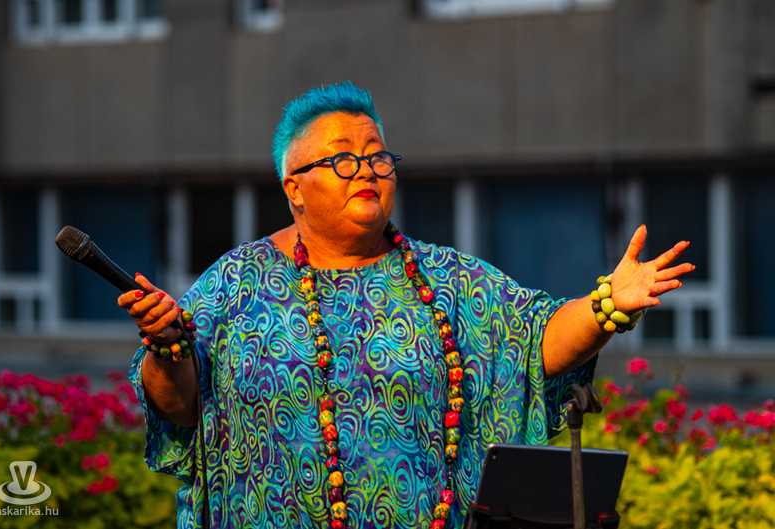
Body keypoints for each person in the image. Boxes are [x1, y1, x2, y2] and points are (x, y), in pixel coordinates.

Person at [120, 81, 693, 529]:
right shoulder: (235, 283)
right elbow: (178, 407)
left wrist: (606, 305)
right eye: (342, 160)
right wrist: (167, 348)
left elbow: (537, 341)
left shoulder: (448, 281)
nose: (367, 170)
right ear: (295, 188)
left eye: (377, 156)